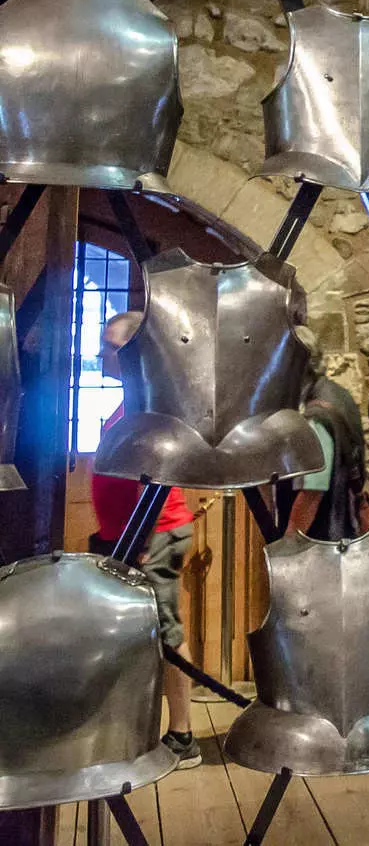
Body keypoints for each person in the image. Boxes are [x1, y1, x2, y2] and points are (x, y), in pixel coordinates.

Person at [91, 313, 200, 771]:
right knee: (143, 634)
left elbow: (155, 477)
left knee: (166, 633)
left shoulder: (151, 405)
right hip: (131, 536)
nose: (101, 354)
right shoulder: (135, 401)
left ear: (136, 352)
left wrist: (139, 539)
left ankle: (183, 737)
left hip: (151, 535)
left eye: (110, 346)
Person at [286, 374, 369, 541]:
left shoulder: (317, 417)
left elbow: (313, 490)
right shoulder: (338, 394)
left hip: (321, 538)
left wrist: (289, 541)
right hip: (342, 531)